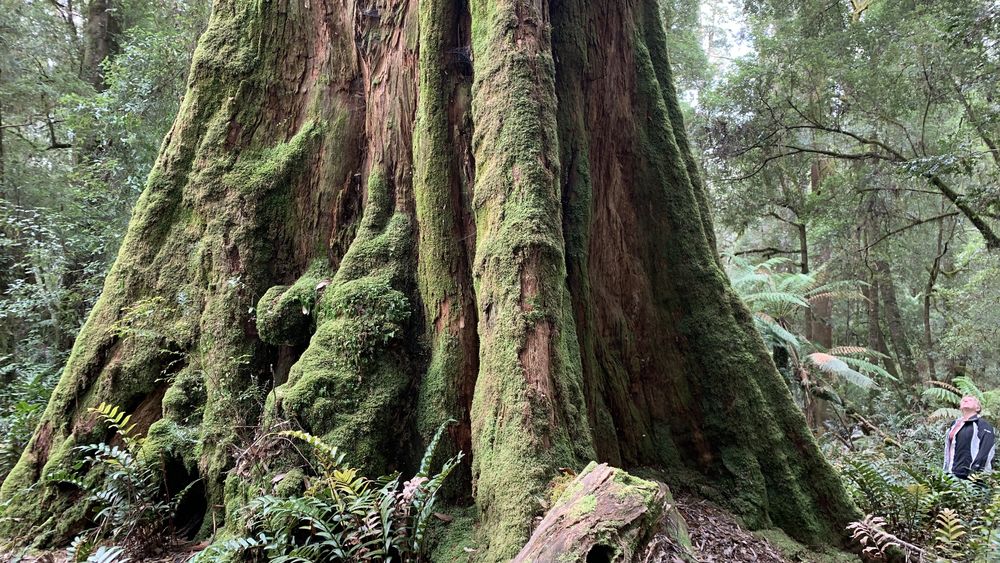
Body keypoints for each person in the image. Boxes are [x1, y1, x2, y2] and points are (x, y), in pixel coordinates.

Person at [943, 395, 996, 479]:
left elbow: (986, 448)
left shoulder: (982, 424)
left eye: (970, 400)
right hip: (952, 473)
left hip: (972, 475)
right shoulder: (954, 424)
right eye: (963, 400)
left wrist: (976, 471)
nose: (966, 401)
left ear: (978, 408)